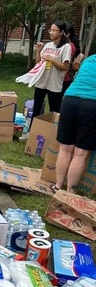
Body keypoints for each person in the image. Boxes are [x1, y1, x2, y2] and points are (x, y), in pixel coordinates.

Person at [52, 54, 96, 194]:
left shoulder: (90, 59)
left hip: (70, 100)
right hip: (92, 104)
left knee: (65, 148)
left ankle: (58, 186)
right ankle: (70, 191)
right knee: (80, 153)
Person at [30, 20, 71, 122]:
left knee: (54, 111)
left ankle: (52, 134)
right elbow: (38, 63)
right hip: (41, 82)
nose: (51, 33)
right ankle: (32, 132)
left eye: (54, 30)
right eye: (50, 30)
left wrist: (52, 60)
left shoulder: (66, 47)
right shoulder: (48, 45)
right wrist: (39, 51)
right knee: (36, 109)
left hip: (54, 83)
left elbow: (65, 66)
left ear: (61, 32)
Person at [62, 24, 81, 95]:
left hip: (65, 78)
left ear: (67, 34)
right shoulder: (66, 45)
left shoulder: (70, 46)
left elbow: (67, 64)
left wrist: (61, 79)